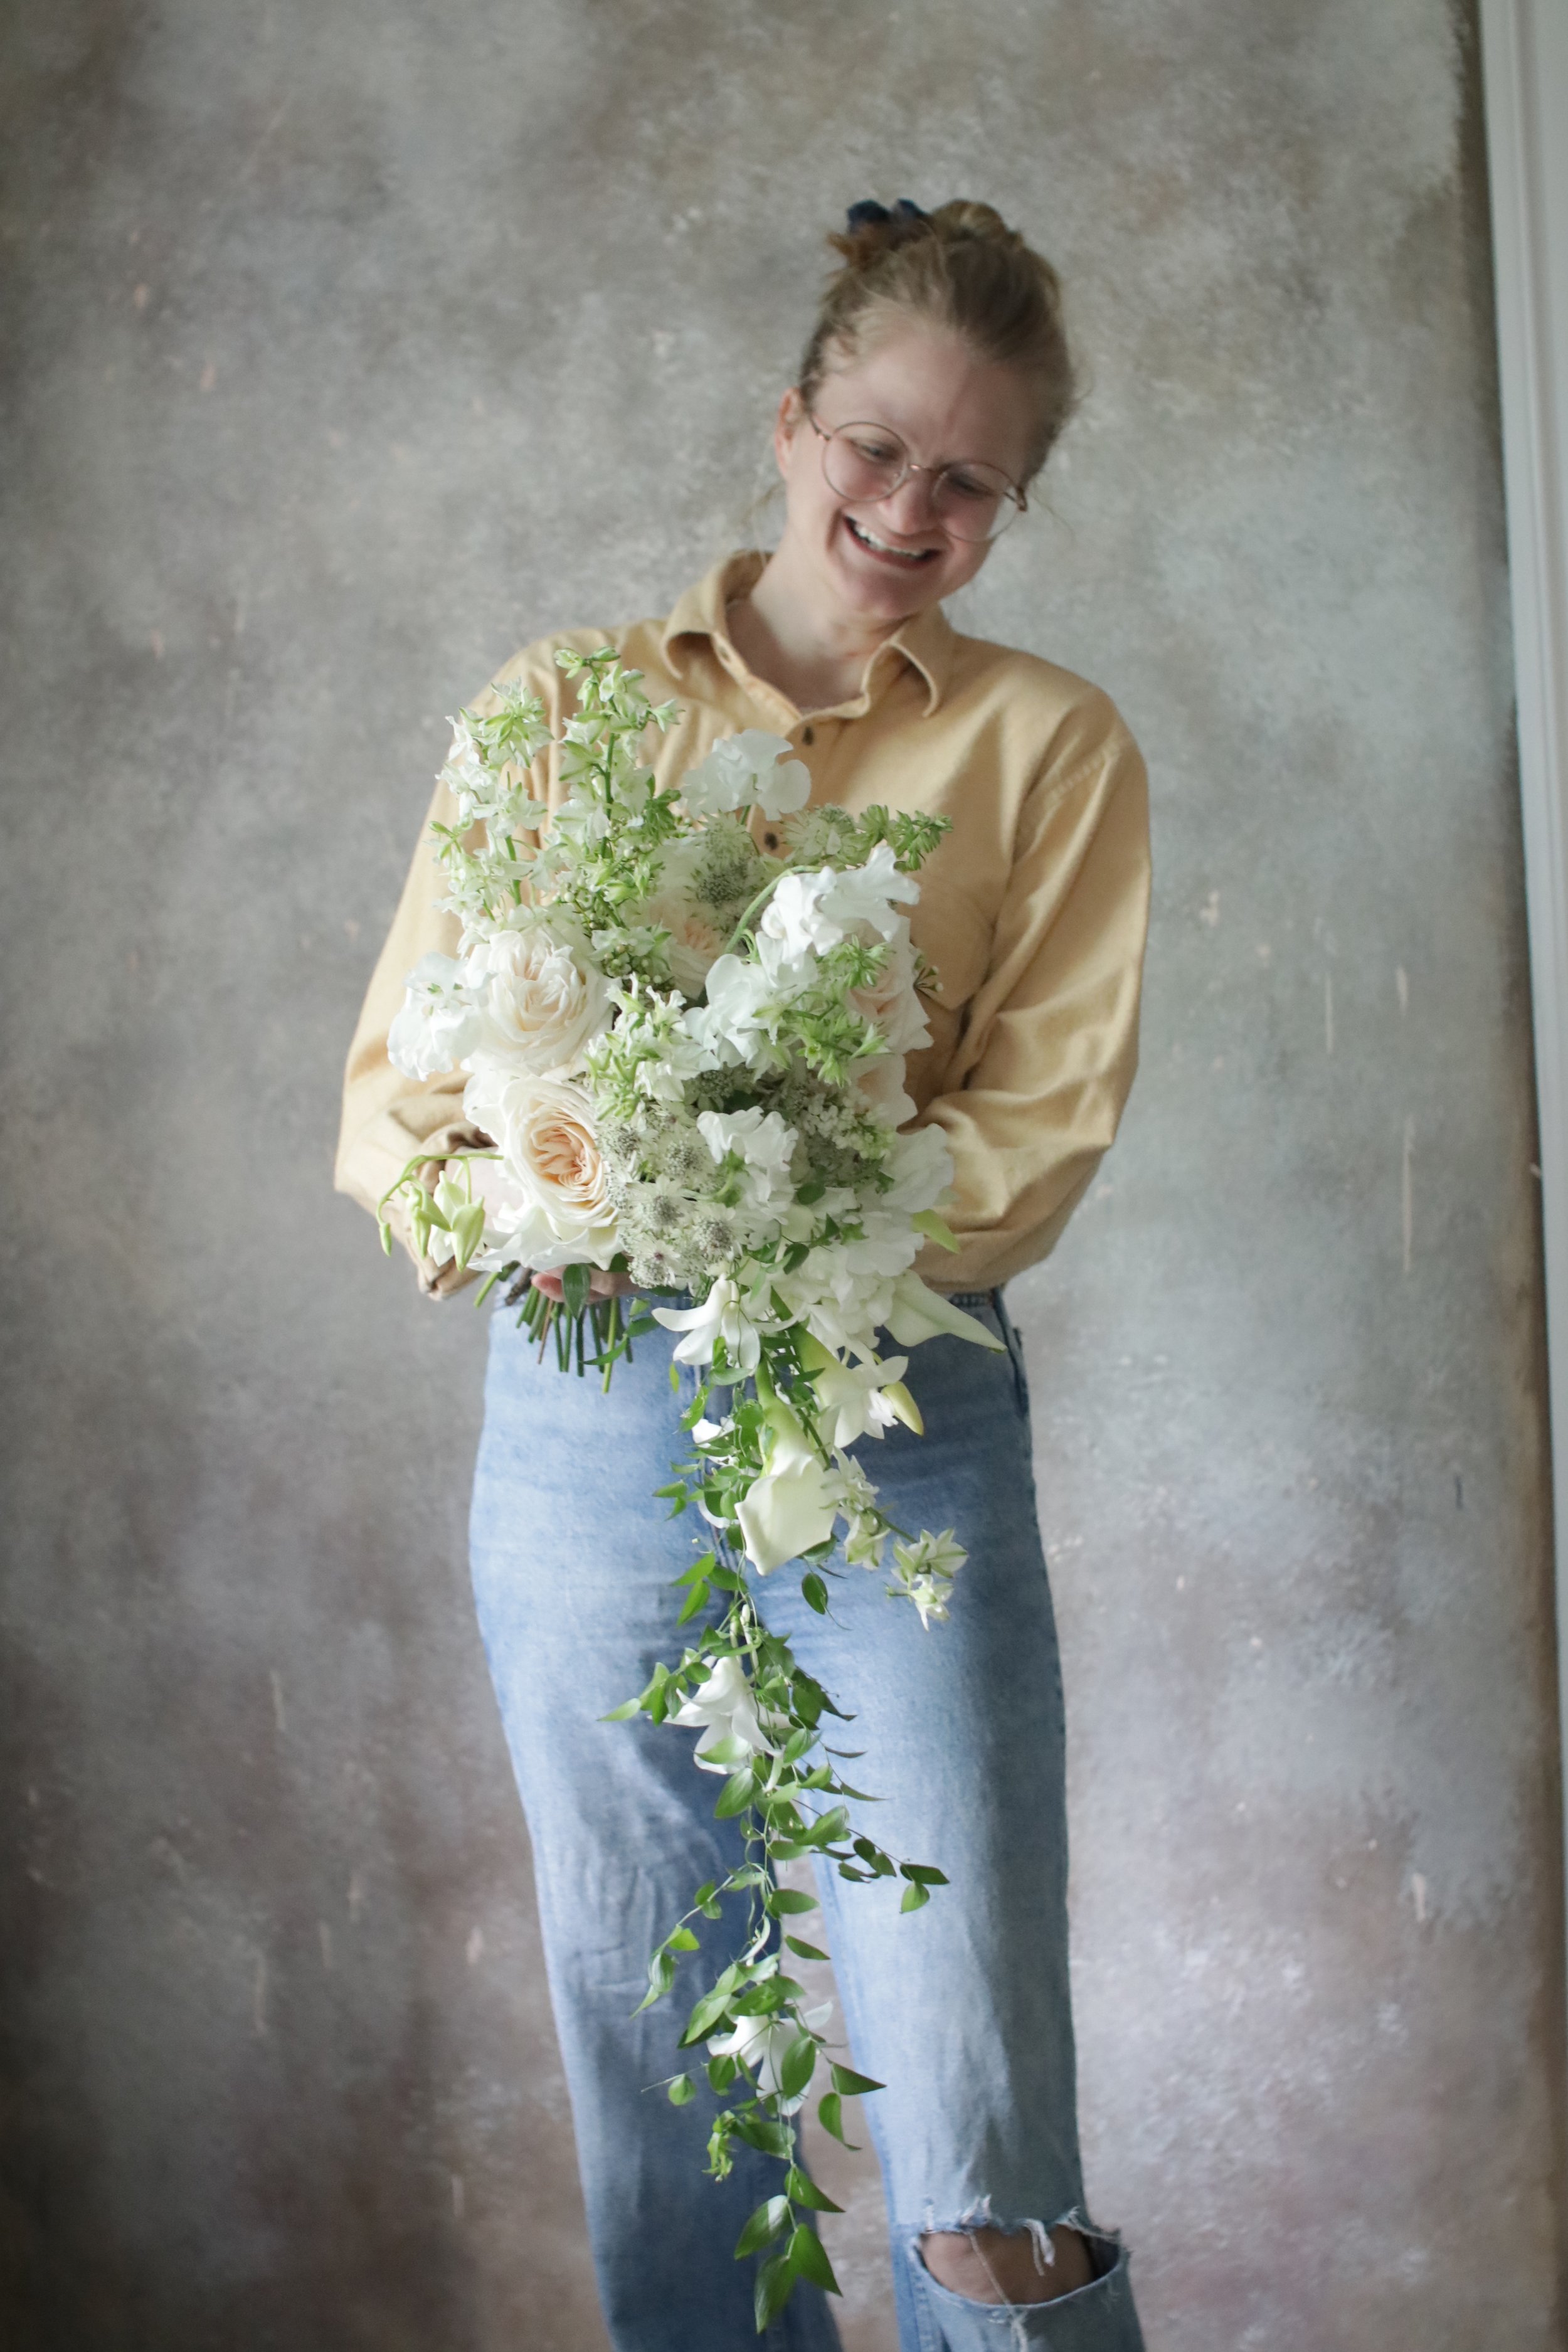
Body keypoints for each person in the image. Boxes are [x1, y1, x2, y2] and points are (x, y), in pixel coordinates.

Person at [337, 197, 1151, 2352]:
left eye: (967, 480)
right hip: (586, 1424)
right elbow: (396, 1109)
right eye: (874, 446)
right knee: (672, 2067)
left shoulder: (1046, 750)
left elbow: (1037, 1127)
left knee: (970, 2088)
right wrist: (553, 1209)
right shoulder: (555, 712)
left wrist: (772, 1221)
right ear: (790, 426)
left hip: (899, 1427)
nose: (906, 507)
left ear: (1010, 506)